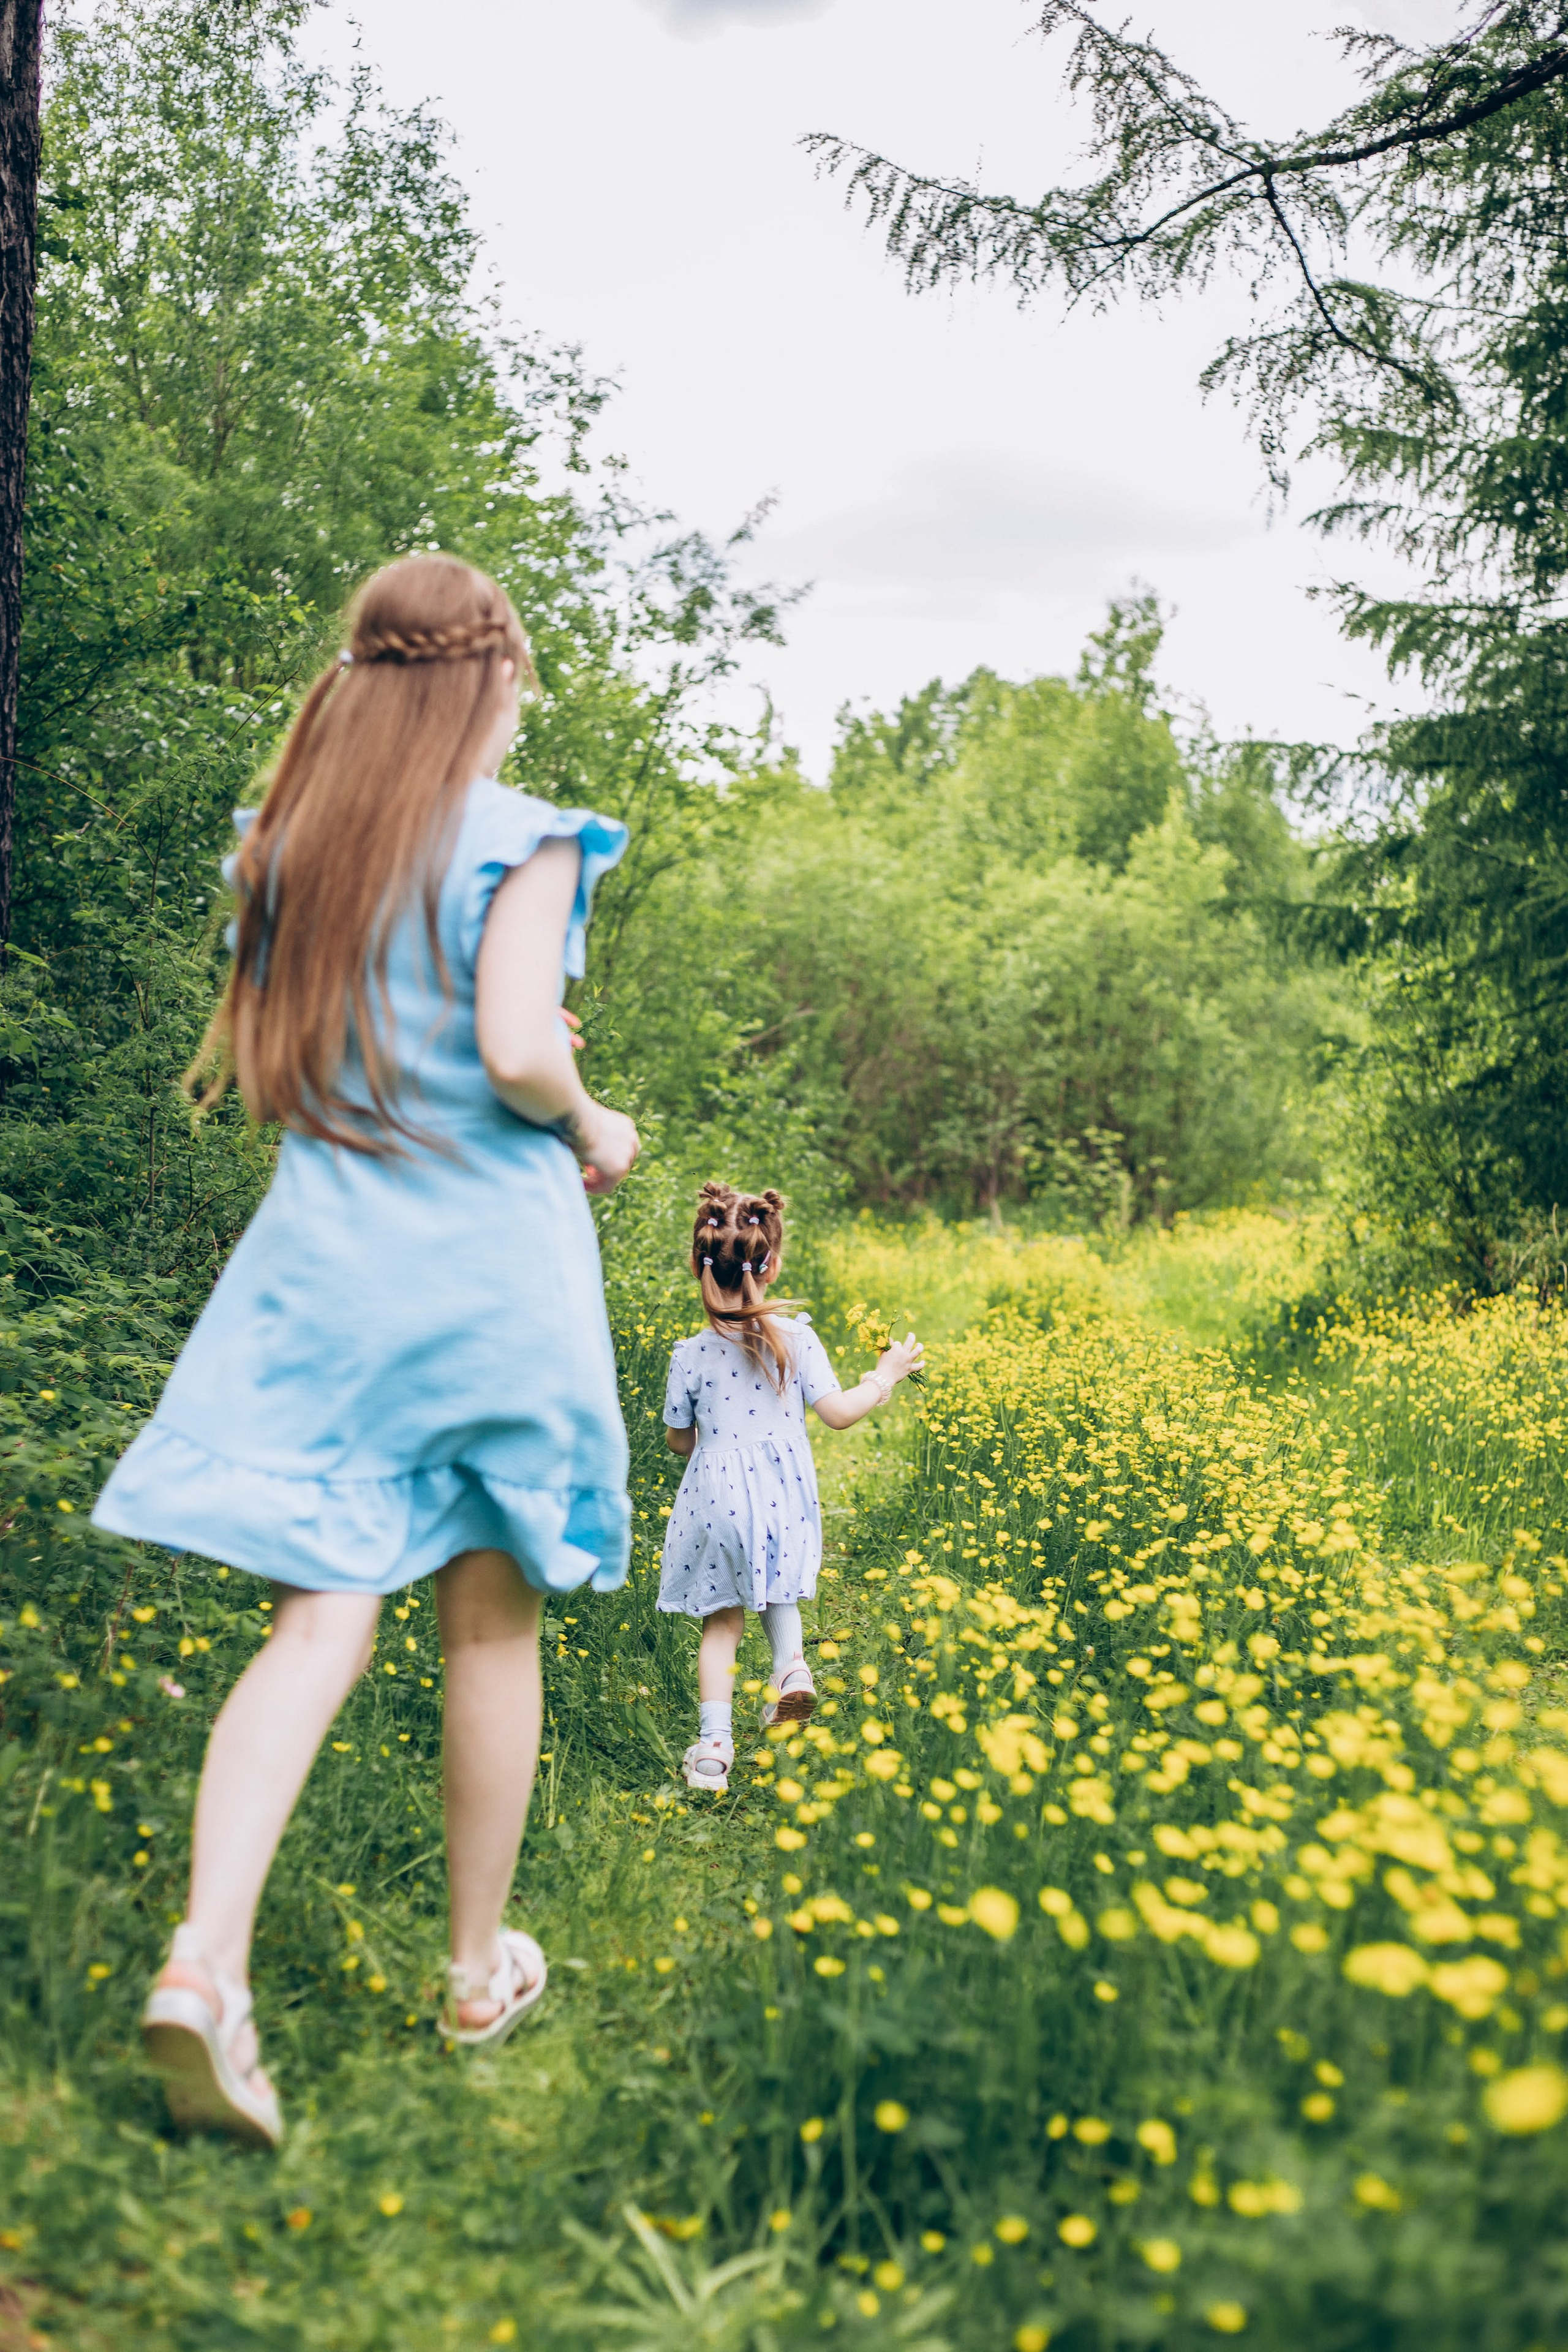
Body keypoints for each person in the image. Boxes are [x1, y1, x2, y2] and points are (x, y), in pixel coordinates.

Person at [92, 553, 639, 2149]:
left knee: (317, 1625)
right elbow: (521, 1048)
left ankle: (207, 1966)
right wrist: (595, 1117)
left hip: (331, 1267)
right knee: (492, 1621)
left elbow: (292, 1068)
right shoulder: (524, 839)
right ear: (488, 682)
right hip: (488, 1271)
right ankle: (476, 1974)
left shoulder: (292, 849)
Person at [657, 1183, 923, 1793]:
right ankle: (790, 1672)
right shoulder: (796, 1339)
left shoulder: (689, 1353)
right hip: (781, 1496)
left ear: (700, 1264)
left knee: (721, 1625)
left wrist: (711, 1443)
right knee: (779, 1589)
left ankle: (711, 1753)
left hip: (713, 1502)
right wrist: (884, 1377)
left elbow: (677, 1440)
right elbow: (836, 1413)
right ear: (771, 1263)